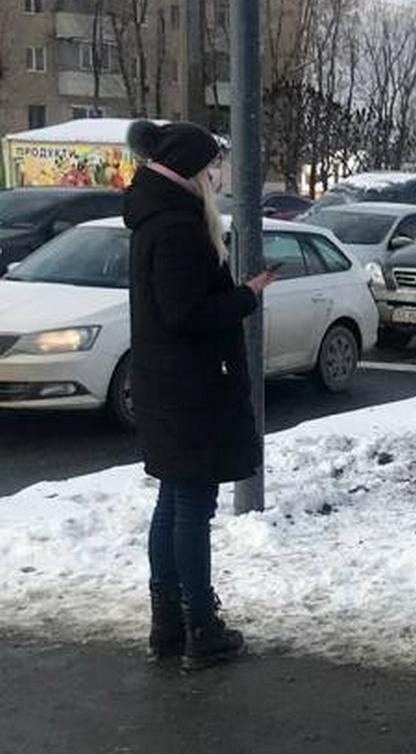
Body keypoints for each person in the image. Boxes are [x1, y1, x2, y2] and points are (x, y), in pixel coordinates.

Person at [124, 119, 276, 670]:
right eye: (212, 165)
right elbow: (186, 312)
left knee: (173, 501)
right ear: (193, 169)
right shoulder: (178, 228)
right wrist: (246, 296)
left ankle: (168, 625)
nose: (216, 175)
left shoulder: (154, 219)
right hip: (189, 388)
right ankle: (200, 628)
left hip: (167, 383)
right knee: (192, 506)